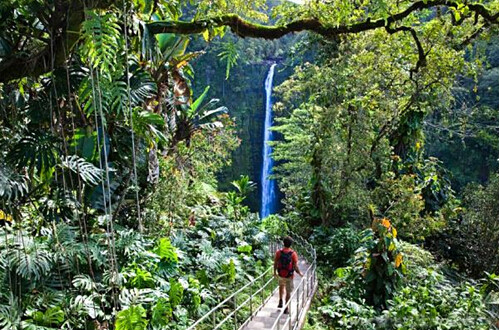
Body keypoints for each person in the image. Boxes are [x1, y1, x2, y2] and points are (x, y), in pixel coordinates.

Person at [274, 236, 303, 313]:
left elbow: (275, 263)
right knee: (288, 292)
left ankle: (280, 300)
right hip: (289, 275)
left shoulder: (278, 252)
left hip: (281, 274)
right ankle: (286, 308)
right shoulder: (293, 254)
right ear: (291, 244)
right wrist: (300, 273)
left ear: (283, 243)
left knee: (281, 287)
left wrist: (274, 272)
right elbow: (295, 266)